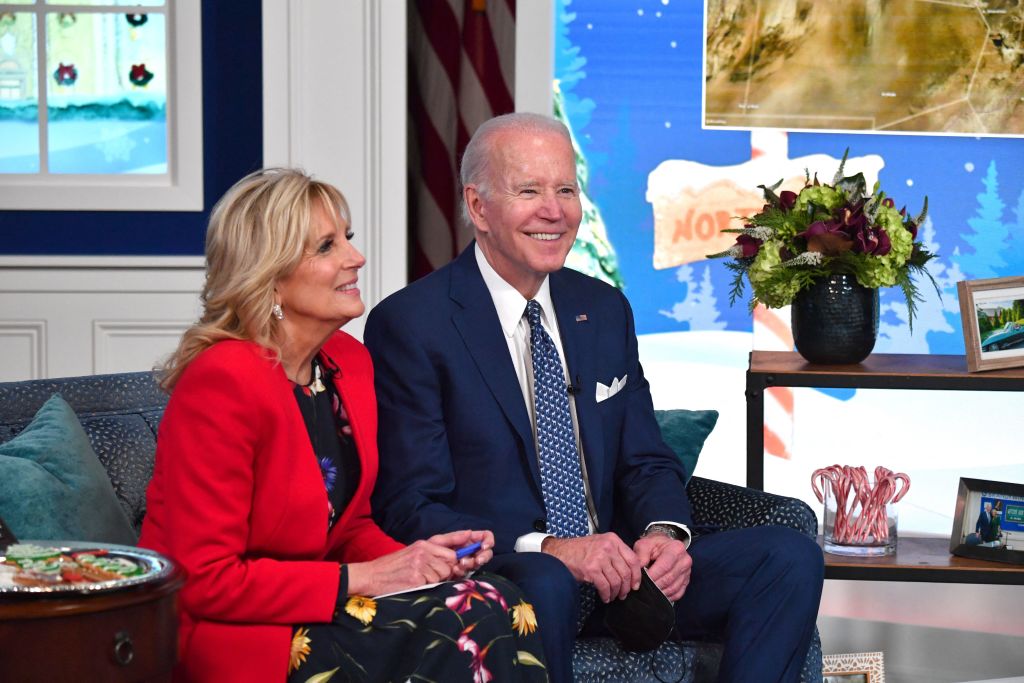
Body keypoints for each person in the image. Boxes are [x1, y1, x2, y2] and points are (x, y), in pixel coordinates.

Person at [365, 113, 824, 683]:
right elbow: (412, 503)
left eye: (565, 190)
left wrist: (664, 534)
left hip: (620, 573)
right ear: (478, 207)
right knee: (548, 580)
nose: (554, 211)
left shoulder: (603, 309)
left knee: (788, 556)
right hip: (513, 571)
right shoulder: (413, 324)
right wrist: (551, 548)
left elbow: (646, 459)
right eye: (529, 191)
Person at [138, 168, 547, 682]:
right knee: (467, 616)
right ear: (271, 276)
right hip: (237, 633)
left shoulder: (347, 363)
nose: (356, 257)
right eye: (327, 246)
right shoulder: (222, 380)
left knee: (500, 595)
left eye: (347, 238)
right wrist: (365, 578)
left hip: (318, 607)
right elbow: (203, 580)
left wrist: (421, 562)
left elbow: (347, 526)